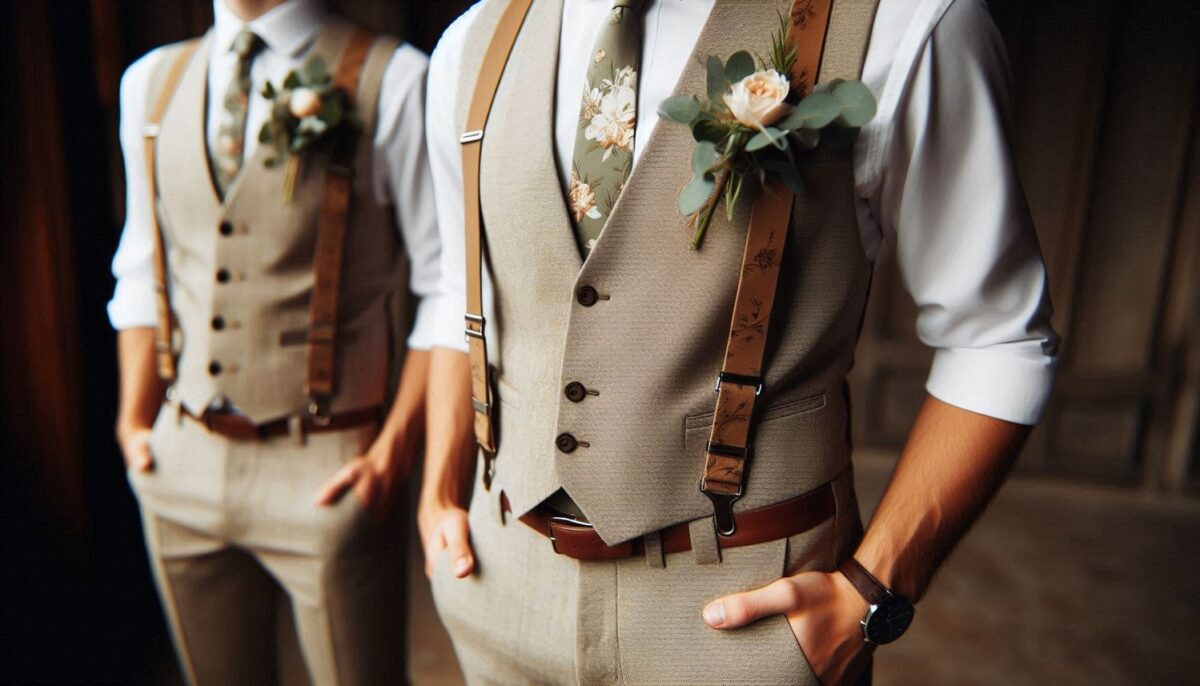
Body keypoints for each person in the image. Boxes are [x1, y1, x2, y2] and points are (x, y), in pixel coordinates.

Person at [418, 0, 1060, 683]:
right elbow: (467, 294)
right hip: (499, 590)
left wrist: (874, 590)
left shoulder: (906, 22)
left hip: (743, 622)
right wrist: (436, 496)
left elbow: (996, 338)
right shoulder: (475, 40)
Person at [108, 0, 443, 682]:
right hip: (182, 464)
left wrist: (391, 455)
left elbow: (447, 289)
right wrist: (134, 422)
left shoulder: (398, 79)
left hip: (328, 471)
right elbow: (143, 264)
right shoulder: (151, 81)